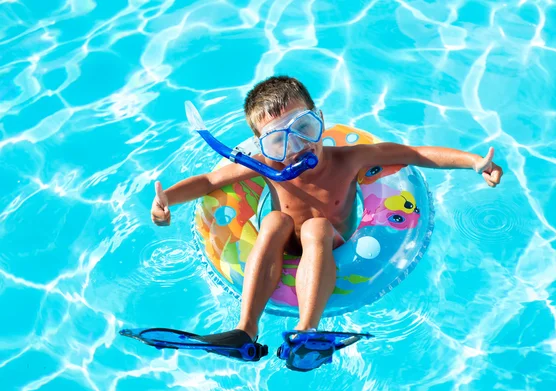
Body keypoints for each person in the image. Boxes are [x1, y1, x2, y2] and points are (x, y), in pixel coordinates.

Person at [149, 75, 503, 369]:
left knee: (315, 226)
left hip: (331, 239)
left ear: (319, 117)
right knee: (273, 221)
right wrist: (167, 202)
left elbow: (413, 154)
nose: (297, 145)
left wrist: (474, 162)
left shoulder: (349, 159)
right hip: (283, 242)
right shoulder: (265, 166)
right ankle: (244, 331)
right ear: (264, 145)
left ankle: (306, 334)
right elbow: (211, 182)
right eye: (278, 140)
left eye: (303, 127)